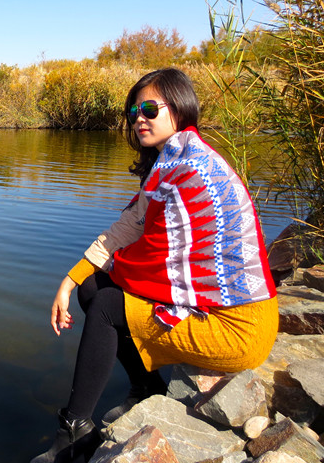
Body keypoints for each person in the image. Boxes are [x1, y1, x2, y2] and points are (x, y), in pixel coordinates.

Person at [30, 68, 279, 463]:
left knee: (109, 305)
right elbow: (129, 227)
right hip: (218, 309)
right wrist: (70, 279)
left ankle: (75, 430)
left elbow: (155, 256)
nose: (139, 118)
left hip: (238, 327)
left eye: (149, 108)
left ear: (180, 110)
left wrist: (106, 274)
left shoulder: (192, 172)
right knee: (94, 288)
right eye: (133, 111)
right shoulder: (171, 165)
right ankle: (145, 388)